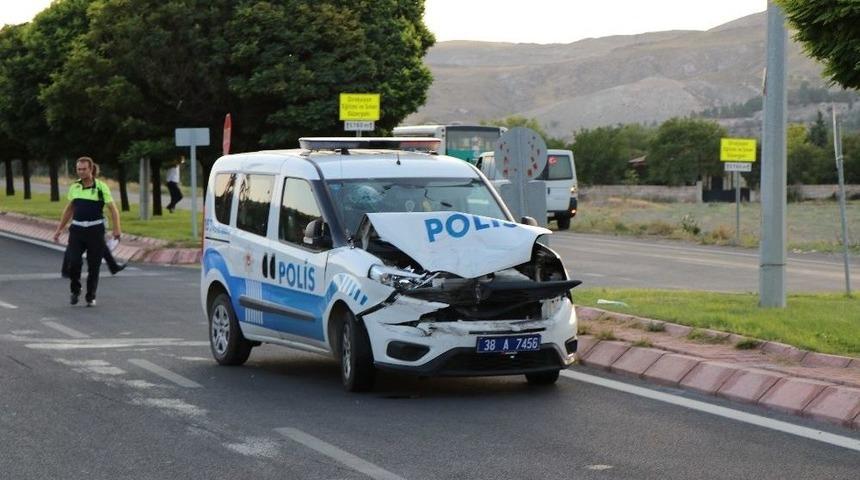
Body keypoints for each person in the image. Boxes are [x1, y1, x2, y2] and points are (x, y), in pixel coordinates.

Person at [53, 157, 122, 307]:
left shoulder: (101, 187)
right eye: (79, 169)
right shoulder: (74, 187)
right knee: (74, 262)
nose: (81, 172)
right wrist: (59, 229)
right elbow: (69, 209)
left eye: (84, 169)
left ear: (91, 169)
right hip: (77, 230)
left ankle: (91, 296)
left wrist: (117, 229)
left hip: (95, 231)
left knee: (93, 266)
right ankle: (75, 290)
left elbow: (113, 209)